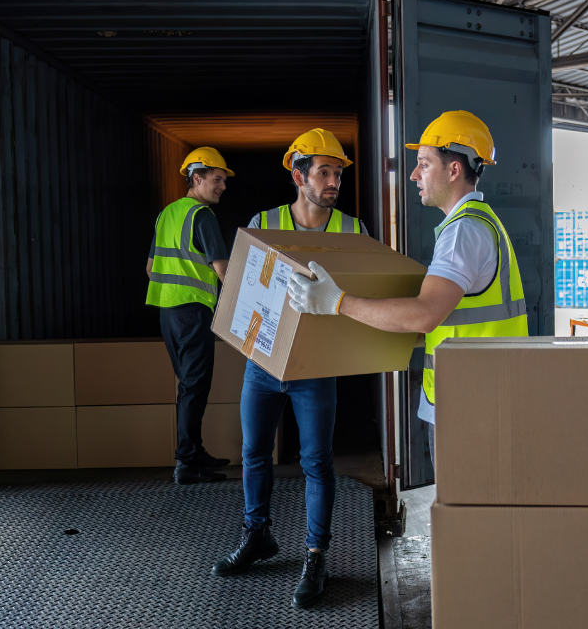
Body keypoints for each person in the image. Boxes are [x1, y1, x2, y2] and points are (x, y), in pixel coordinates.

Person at [287, 111, 528, 466]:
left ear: (454, 170)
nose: (414, 174)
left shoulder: (463, 232)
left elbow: (426, 313)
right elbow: (450, 317)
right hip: (482, 395)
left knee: (463, 500)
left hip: (468, 405)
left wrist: (336, 301)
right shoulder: (481, 223)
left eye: (424, 164)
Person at [211, 129, 366, 610]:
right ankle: (257, 535)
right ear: (299, 177)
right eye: (324, 172)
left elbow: (365, 300)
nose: (334, 181)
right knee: (254, 452)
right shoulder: (265, 222)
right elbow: (242, 287)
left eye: (338, 173)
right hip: (263, 362)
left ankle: (316, 557)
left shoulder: (352, 231)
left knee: (316, 462)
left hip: (316, 366)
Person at [146, 147, 233, 485]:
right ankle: (187, 463)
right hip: (193, 313)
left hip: (168, 313)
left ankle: (194, 452)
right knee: (195, 388)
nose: (222, 186)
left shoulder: (166, 214)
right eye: (217, 179)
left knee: (188, 386)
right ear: (197, 178)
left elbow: (150, 268)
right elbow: (223, 271)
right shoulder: (202, 215)